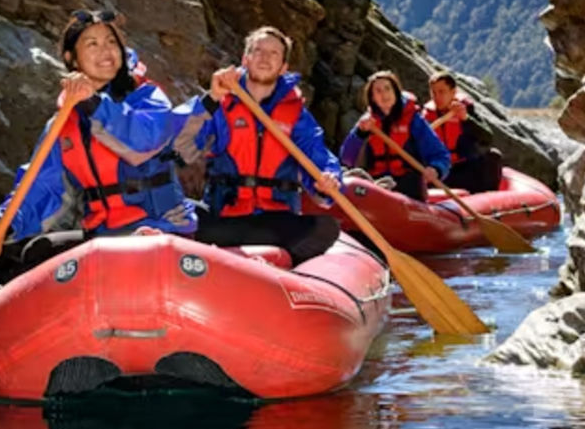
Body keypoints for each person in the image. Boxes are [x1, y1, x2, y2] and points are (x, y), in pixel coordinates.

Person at [0, 9, 197, 268]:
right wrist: (3, 228)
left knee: (137, 250)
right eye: (92, 44)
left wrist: (92, 103)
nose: (105, 51)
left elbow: (142, 142)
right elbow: (40, 185)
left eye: (111, 42)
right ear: (72, 60)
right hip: (104, 232)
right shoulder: (62, 125)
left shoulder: (148, 97)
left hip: (162, 225)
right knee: (38, 251)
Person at [175, 25, 342, 265]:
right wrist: (210, 99)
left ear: (284, 67)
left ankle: (263, 268)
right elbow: (179, 147)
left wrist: (327, 179)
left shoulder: (296, 115)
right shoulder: (220, 101)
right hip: (224, 216)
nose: (265, 57)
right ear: (245, 59)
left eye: (274, 53)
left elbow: (318, 156)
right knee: (172, 211)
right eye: (258, 50)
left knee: (325, 228)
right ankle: (256, 261)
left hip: (275, 219)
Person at [340, 69, 451, 202]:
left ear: (395, 92)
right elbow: (347, 158)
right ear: (372, 98)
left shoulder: (413, 121)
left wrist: (436, 169)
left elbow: (441, 155)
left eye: (387, 89)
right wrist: (360, 133)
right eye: (378, 91)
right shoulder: (367, 123)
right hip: (376, 185)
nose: (384, 94)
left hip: (408, 186)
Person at [421, 71, 504, 193]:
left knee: (493, 156)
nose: (437, 97)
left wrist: (466, 119)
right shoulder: (426, 116)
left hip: (465, 168)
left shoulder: (466, 110)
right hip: (441, 171)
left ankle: (489, 200)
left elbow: (487, 138)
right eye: (433, 92)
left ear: (453, 92)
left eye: (442, 92)